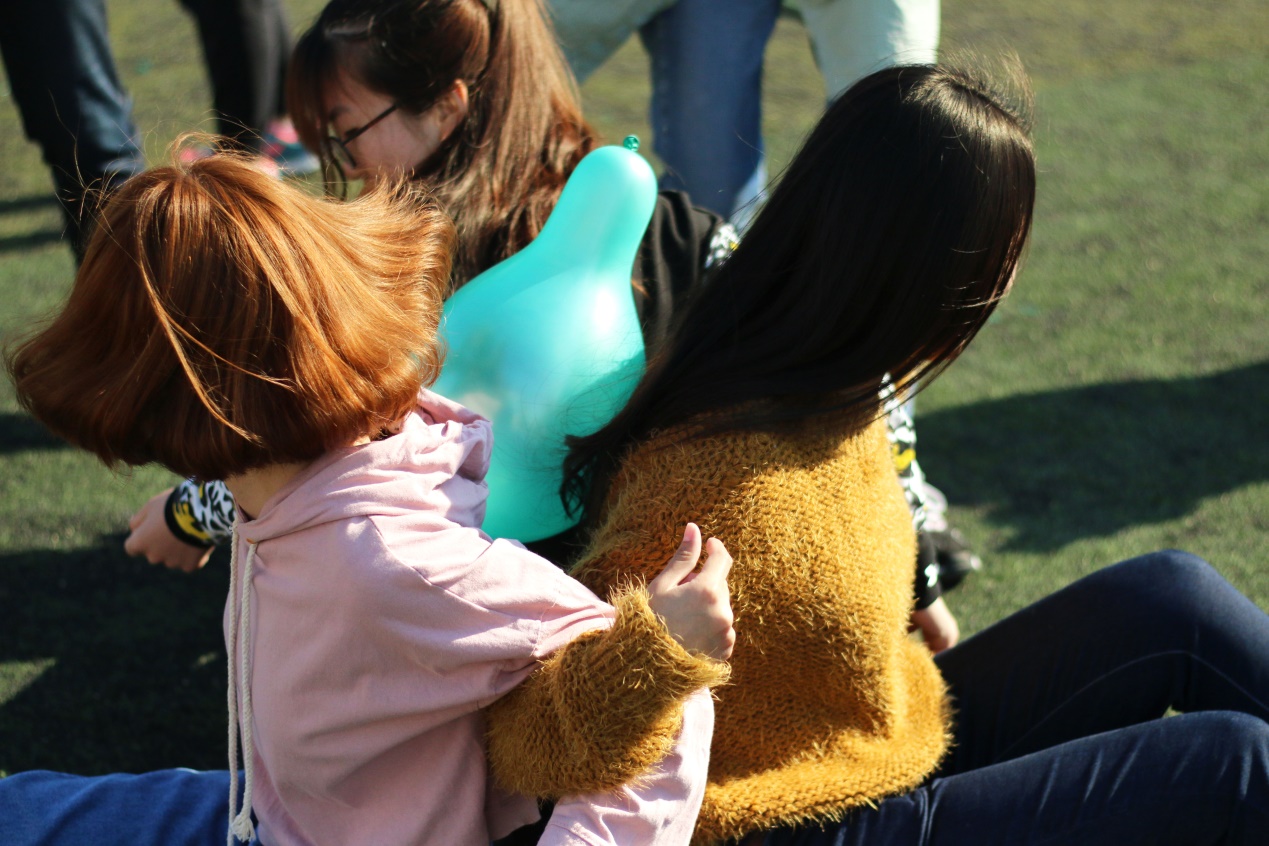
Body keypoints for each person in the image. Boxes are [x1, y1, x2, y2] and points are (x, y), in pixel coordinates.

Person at [485, 62, 1269, 844]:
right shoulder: (710, 476)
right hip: (787, 825)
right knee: (1232, 765)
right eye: (1002, 250)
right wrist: (654, 647)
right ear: (932, 267)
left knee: (1174, 598)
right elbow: (528, 748)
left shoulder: (839, 383)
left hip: (878, 748)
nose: (1007, 278)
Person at [122, 0, 959, 650]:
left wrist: (195, 512)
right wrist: (911, 555)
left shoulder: (420, 270)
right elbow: (848, 378)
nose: (343, 171)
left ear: (447, 107)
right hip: (679, 600)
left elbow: (335, 449)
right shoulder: (684, 229)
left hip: (508, 630)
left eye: (347, 135)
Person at [3, 152, 736, 845]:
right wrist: (188, 514)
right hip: (276, 815)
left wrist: (668, 648)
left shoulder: (393, 561)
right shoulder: (289, 486)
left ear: (171, 393)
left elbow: (664, 708)